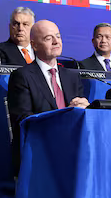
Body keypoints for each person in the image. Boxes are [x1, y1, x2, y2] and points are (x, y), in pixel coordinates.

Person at [6, 20, 90, 170]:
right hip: (39, 152)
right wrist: (65, 115)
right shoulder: (22, 76)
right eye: (48, 38)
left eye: (58, 36)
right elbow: (24, 120)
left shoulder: (71, 77)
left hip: (73, 149)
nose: (56, 41)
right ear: (34, 45)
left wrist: (86, 110)